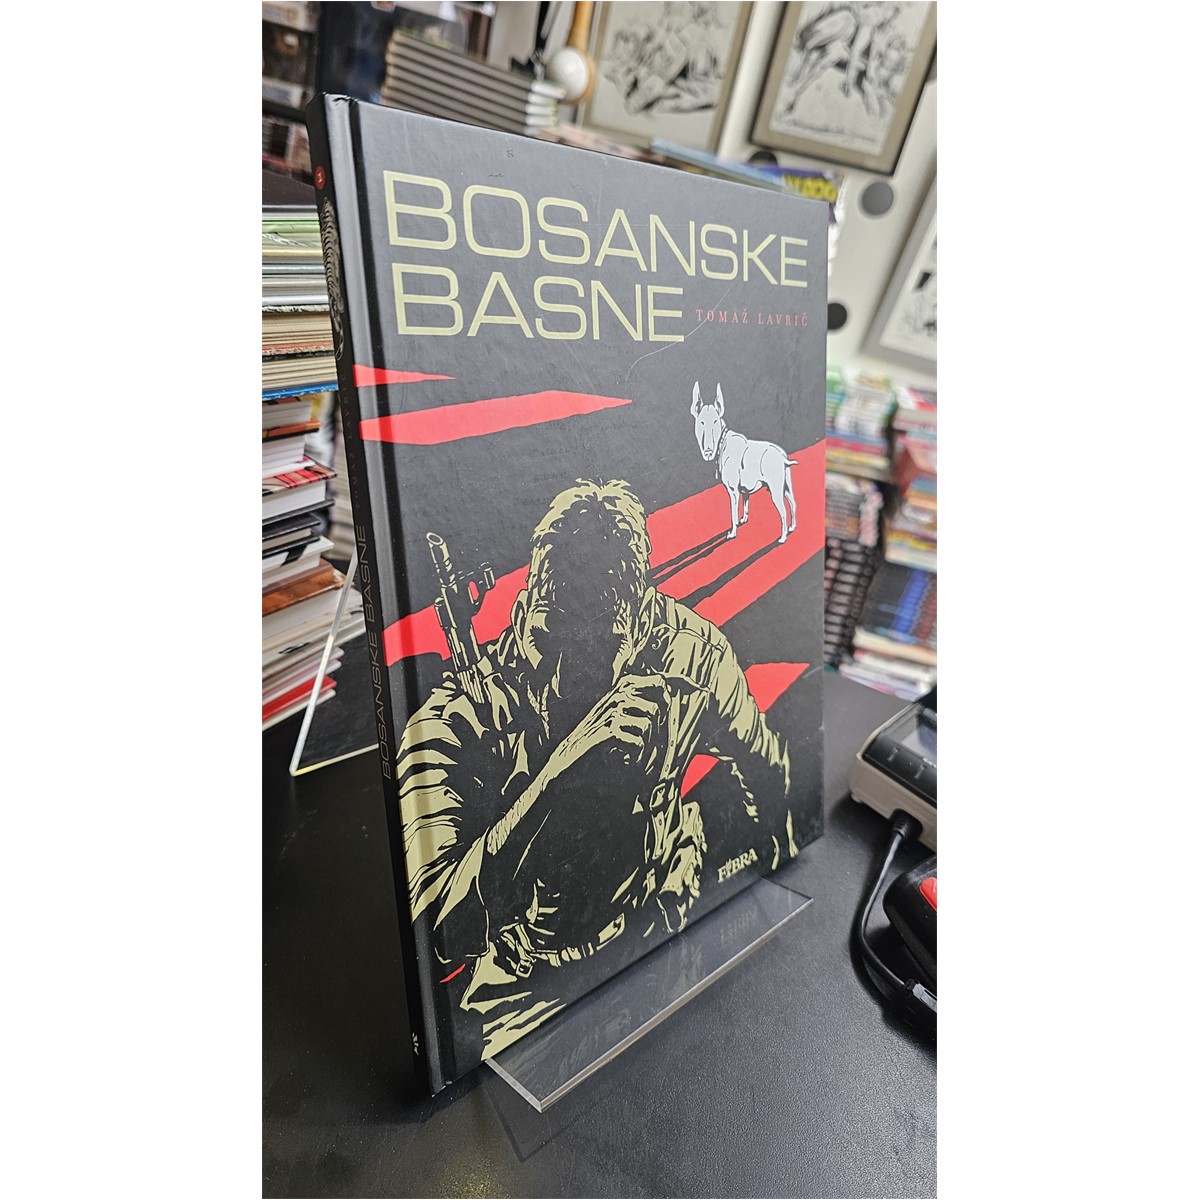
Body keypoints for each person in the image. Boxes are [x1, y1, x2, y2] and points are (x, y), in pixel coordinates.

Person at [397, 479, 794, 1060]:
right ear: (527, 609)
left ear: (643, 624)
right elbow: (436, 932)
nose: (564, 680)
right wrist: (558, 780)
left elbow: (765, 768)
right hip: (528, 978)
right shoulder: (460, 719)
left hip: (665, 912)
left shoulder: (692, 656)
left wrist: (761, 876)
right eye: (550, 644)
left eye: (596, 652)